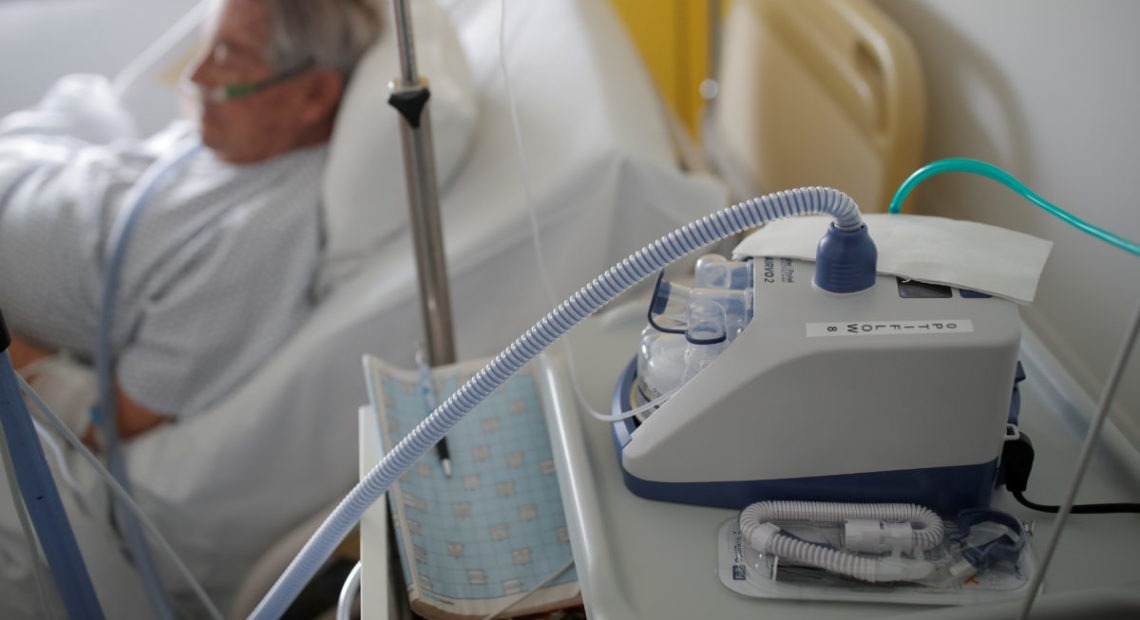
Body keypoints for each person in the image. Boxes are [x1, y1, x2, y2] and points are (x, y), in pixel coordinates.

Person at [0, 0, 383, 442]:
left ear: (314, 95)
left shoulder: (257, 236)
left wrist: (17, 360)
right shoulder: (240, 142)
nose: (197, 76)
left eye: (227, 59)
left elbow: (116, 417)